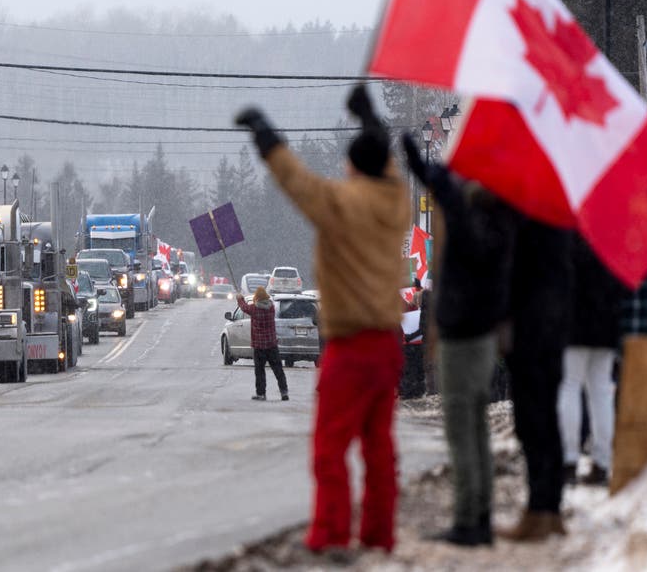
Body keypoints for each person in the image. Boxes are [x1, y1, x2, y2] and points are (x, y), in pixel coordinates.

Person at [235, 82, 409, 555]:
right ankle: (379, 534)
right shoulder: (395, 202)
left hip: (349, 345)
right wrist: (372, 120)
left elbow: (297, 181)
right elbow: (383, 165)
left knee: (330, 447)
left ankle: (332, 533)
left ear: (353, 166)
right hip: (386, 345)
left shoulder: (340, 205)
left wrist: (267, 138)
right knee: (378, 446)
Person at [403, 136, 519, 546]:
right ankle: (481, 512)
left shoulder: (470, 223)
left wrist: (416, 158)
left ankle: (469, 518)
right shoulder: (504, 223)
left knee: (461, 430)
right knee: (476, 429)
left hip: (461, 337)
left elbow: (445, 191)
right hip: (484, 335)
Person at [500, 218, 574, 541]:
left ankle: (539, 508)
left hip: (531, 335)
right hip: (553, 333)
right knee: (546, 423)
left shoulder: (526, 226)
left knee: (533, 425)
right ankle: (549, 508)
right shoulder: (564, 225)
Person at [557, 238, 628, 487]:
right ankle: (602, 462)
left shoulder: (571, 238)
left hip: (573, 324)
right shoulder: (613, 240)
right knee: (601, 392)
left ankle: (568, 458)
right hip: (606, 325)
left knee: (569, 386)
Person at [236, 286, 288, 401]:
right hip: (272, 345)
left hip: (259, 346)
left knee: (260, 371)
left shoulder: (254, 309)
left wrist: (240, 299)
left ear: (256, 298)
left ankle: (261, 394)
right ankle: (284, 392)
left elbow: (244, 307)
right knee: (278, 370)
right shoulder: (271, 308)